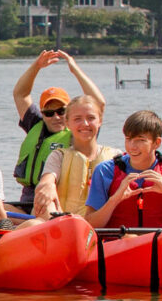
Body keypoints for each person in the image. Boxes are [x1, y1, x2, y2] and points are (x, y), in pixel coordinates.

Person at [10, 50, 104, 217]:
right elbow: (20, 94)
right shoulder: (34, 124)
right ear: (43, 114)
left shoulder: (79, 131)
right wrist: (36, 66)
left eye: (61, 111)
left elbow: (98, 104)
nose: (56, 117)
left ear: (69, 115)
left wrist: (75, 70)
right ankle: (25, 227)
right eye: (49, 113)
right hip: (29, 198)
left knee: (44, 209)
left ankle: (33, 225)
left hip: (59, 201)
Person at [84, 110, 162, 229]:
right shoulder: (105, 171)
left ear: (156, 143)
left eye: (140, 140)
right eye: (128, 139)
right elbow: (90, 226)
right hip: (118, 243)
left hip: (160, 243)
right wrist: (114, 200)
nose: (132, 146)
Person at [35, 95, 115, 219]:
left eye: (91, 118)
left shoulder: (115, 157)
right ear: (67, 123)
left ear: (100, 121)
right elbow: (46, 181)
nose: (85, 124)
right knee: (45, 195)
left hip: (102, 227)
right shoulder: (58, 156)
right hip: (63, 225)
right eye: (77, 119)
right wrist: (48, 185)